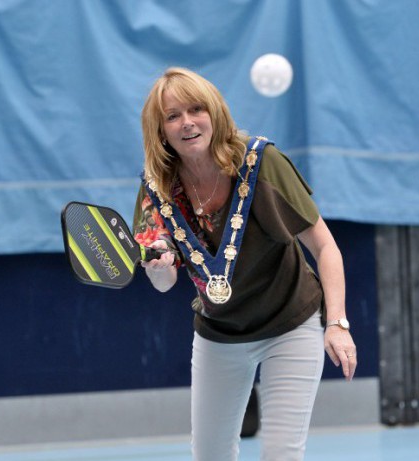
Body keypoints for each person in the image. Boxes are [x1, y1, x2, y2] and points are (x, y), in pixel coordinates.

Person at [132, 67, 356, 461]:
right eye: (172, 116)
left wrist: (336, 323)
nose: (187, 123)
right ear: (160, 130)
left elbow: (325, 248)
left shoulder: (261, 162)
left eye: (196, 109)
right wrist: (159, 267)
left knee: (281, 454)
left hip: (290, 321)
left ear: (214, 113)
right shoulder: (156, 187)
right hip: (219, 333)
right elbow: (165, 282)